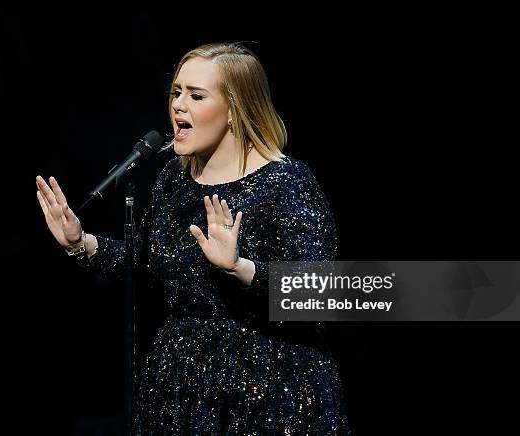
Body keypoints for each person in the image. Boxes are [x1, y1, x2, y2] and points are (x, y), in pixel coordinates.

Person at [36, 42, 351, 434]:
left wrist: (241, 268)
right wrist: (80, 242)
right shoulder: (173, 179)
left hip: (267, 384)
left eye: (196, 96)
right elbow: (145, 266)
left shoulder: (286, 182)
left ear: (235, 109)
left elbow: (319, 294)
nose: (178, 106)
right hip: (180, 383)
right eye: (176, 92)